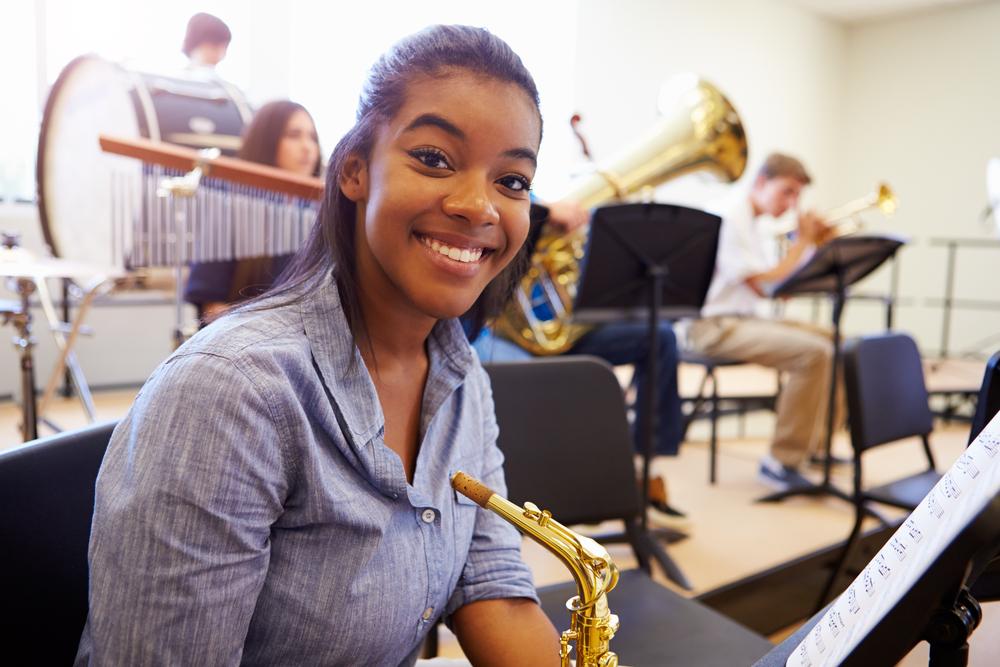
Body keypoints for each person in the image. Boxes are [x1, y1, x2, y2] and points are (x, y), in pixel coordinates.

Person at [76, 25, 561, 666]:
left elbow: (491, 580)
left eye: (513, 181)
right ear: (355, 170)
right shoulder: (231, 392)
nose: (480, 207)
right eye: (435, 158)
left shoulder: (462, 375)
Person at [472, 199, 686, 525]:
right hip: (506, 335)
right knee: (539, 381)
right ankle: (560, 491)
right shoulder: (530, 202)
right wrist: (541, 212)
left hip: (564, 332)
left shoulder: (565, 201)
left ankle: (645, 465)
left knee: (660, 336)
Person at [687, 153, 839, 493]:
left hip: (745, 319)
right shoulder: (729, 216)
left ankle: (816, 446)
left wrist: (812, 247)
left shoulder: (752, 223)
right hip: (713, 327)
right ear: (760, 183)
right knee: (815, 353)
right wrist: (803, 241)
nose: (792, 202)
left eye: (797, 195)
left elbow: (781, 291)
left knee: (838, 340)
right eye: (787, 191)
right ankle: (780, 462)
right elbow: (767, 286)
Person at [185, 100, 322, 320]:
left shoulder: (322, 215)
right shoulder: (232, 208)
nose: (307, 146)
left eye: (313, 138)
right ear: (266, 142)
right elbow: (213, 308)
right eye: (294, 135)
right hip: (245, 347)